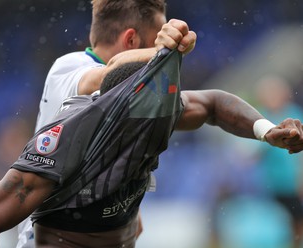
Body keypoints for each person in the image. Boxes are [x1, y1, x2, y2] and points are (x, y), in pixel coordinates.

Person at [0, 41, 303, 247]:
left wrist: (266, 130)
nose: (169, 121)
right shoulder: (63, 145)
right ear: (123, 112)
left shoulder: (156, 113)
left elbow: (213, 104)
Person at [21, 0, 197, 246]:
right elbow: (105, 77)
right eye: (154, 39)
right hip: (46, 237)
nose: (157, 47)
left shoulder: (128, 100)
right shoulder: (70, 66)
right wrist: (165, 52)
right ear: (131, 41)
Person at [254, 75, 303, 247]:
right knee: (294, 222)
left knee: (302, 222)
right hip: (275, 183)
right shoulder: (262, 119)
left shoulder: (295, 116)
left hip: (295, 181)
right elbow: (253, 153)